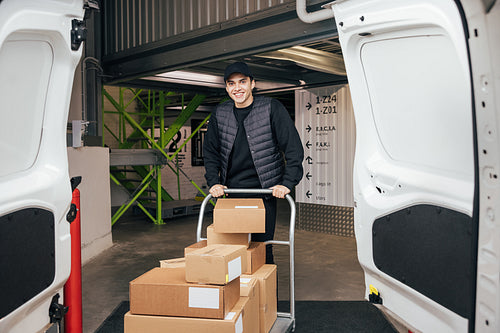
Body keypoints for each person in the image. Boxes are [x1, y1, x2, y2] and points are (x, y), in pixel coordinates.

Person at [203, 61, 304, 264]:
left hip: (264, 194)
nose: (237, 87)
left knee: (262, 251)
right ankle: (239, 295)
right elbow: (210, 152)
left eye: (242, 82)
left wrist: (286, 183)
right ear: (226, 88)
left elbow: (293, 148)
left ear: (252, 84)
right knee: (230, 252)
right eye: (231, 84)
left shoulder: (271, 108)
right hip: (230, 194)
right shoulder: (220, 113)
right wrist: (214, 182)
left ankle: (263, 295)